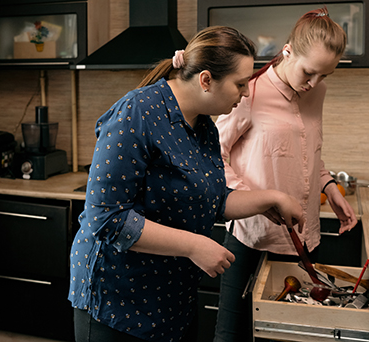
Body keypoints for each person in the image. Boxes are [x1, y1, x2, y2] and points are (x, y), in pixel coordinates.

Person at [68, 26, 306, 342]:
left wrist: (271, 198)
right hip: (117, 300)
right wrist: (194, 245)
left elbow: (213, 199)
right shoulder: (136, 112)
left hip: (170, 300)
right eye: (240, 84)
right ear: (206, 80)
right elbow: (108, 219)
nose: (246, 93)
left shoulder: (204, 126)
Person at [213, 8, 358, 342]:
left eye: (325, 76)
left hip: (306, 239)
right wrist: (256, 201)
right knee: (231, 335)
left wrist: (331, 187)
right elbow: (213, 158)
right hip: (251, 239)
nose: (315, 84)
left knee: (293, 335)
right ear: (288, 50)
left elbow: (309, 153)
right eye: (310, 72)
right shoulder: (247, 91)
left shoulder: (315, 91)